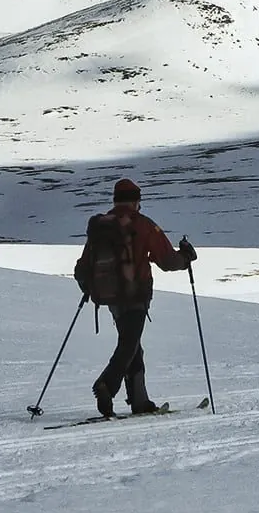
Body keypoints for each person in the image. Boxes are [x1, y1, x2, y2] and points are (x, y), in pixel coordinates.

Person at [79, 178, 195, 417]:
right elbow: (167, 260)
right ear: (135, 201)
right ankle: (106, 385)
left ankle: (139, 400)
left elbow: (82, 267)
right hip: (136, 294)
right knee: (129, 344)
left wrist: (89, 286)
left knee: (132, 344)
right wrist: (186, 258)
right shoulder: (142, 225)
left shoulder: (102, 226)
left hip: (110, 297)